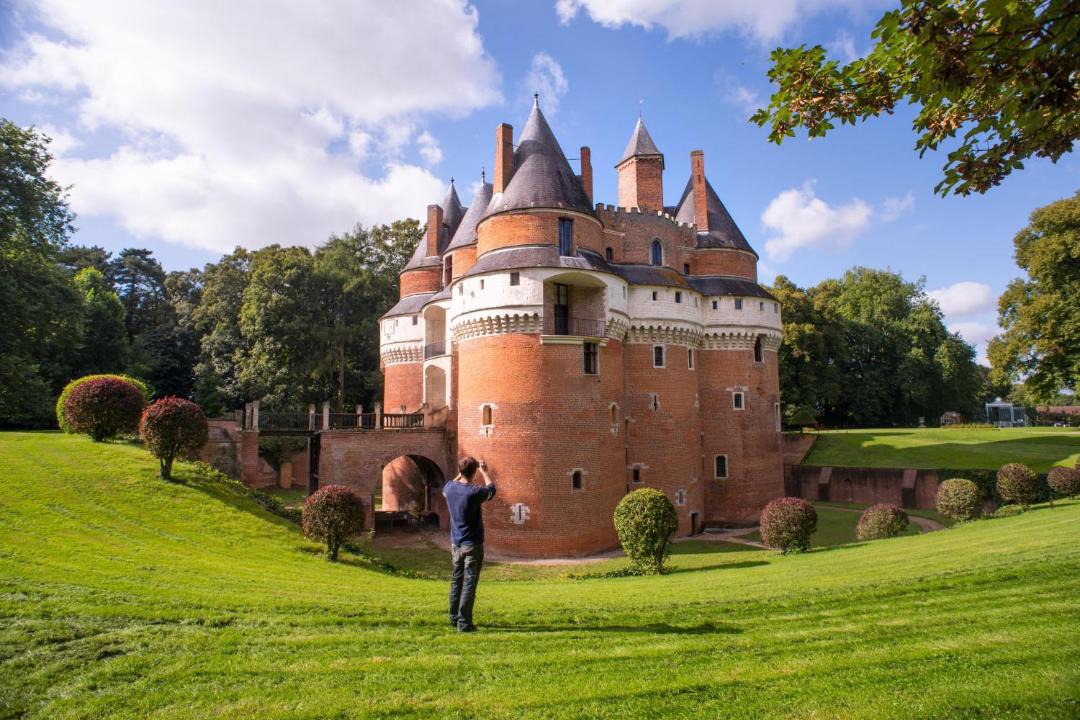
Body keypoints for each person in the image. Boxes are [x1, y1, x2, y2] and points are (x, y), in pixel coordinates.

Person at [443, 456, 495, 632]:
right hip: (472, 543)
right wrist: (485, 472)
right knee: (470, 582)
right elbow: (491, 490)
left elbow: (450, 484)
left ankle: (453, 617)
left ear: (460, 470)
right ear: (474, 472)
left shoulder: (449, 488)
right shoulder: (474, 492)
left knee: (456, 580)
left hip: (456, 543)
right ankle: (464, 623)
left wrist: (460, 474)